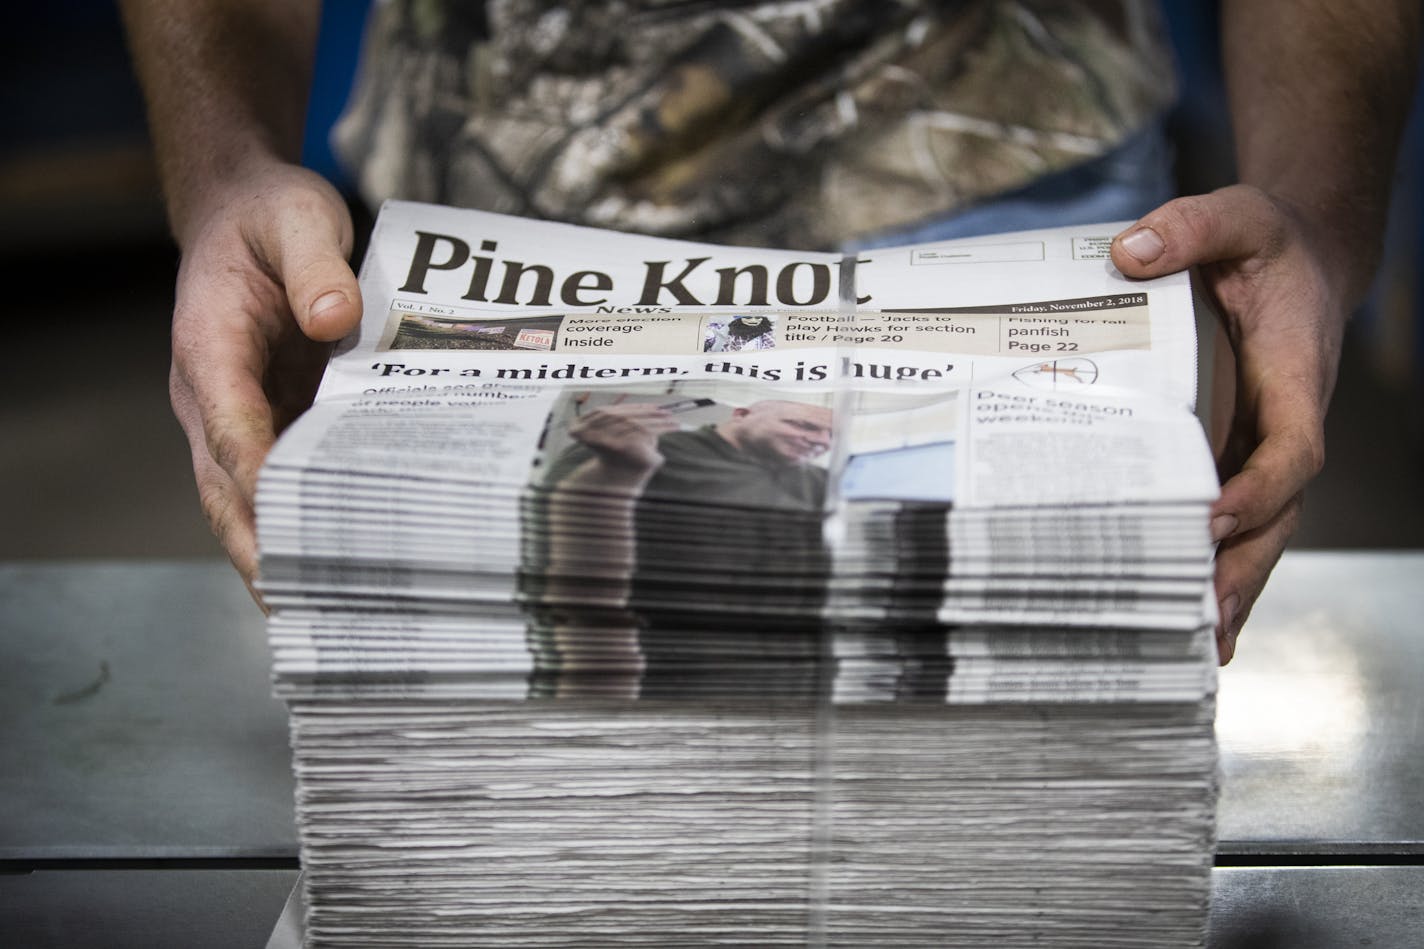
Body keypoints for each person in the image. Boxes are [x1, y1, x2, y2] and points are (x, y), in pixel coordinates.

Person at [119, 0, 1422, 663]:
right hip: (489, 222)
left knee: (1000, 777)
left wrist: (1316, 208)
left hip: (1016, 200)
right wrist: (223, 166)